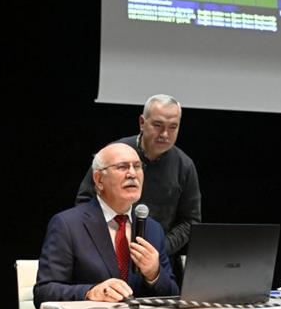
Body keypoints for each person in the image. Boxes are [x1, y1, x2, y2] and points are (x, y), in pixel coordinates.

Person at [34, 143, 179, 309]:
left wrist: (154, 274)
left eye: (137, 166)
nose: (132, 174)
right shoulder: (68, 225)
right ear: (99, 179)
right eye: (122, 167)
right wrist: (90, 292)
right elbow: (43, 293)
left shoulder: (153, 229)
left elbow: (173, 295)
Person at [75, 94, 201, 258]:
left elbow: (190, 221)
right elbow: (85, 201)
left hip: (156, 258)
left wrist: (160, 248)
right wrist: (106, 240)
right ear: (142, 122)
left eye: (173, 127)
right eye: (158, 125)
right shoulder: (114, 153)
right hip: (105, 251)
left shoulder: (184, 166)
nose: (165, 134)